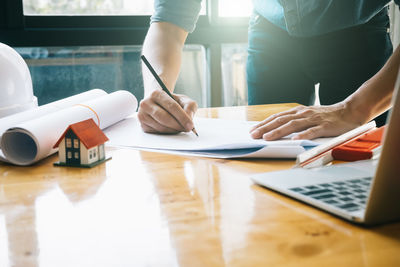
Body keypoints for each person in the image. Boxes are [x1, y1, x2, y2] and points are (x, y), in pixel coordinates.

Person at [138, 0, 399, 137]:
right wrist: (158, 93)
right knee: (267, 147)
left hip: (359, 31)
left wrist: (354, 109)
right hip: (271, 31)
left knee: (363, 163)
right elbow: (169, 22)